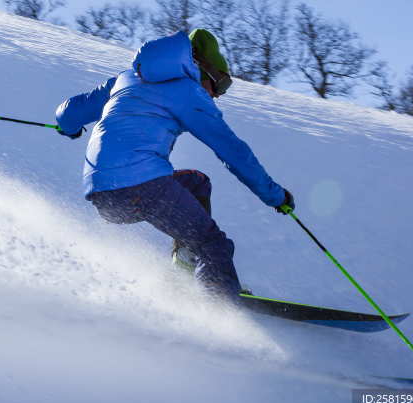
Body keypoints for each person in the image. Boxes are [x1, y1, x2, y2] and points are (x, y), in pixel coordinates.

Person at [55, 29, 294, 303]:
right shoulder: (188, 92)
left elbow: (69, 112)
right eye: (221, 84)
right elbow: (232, 150)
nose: (217, 95)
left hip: (103, 196)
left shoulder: (126, 79)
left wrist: (69, 128)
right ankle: (221, 306)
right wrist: (275, 196)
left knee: (197, 183)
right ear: (204, 70)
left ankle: (184, 270)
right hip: (142, 186)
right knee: (212, 244)